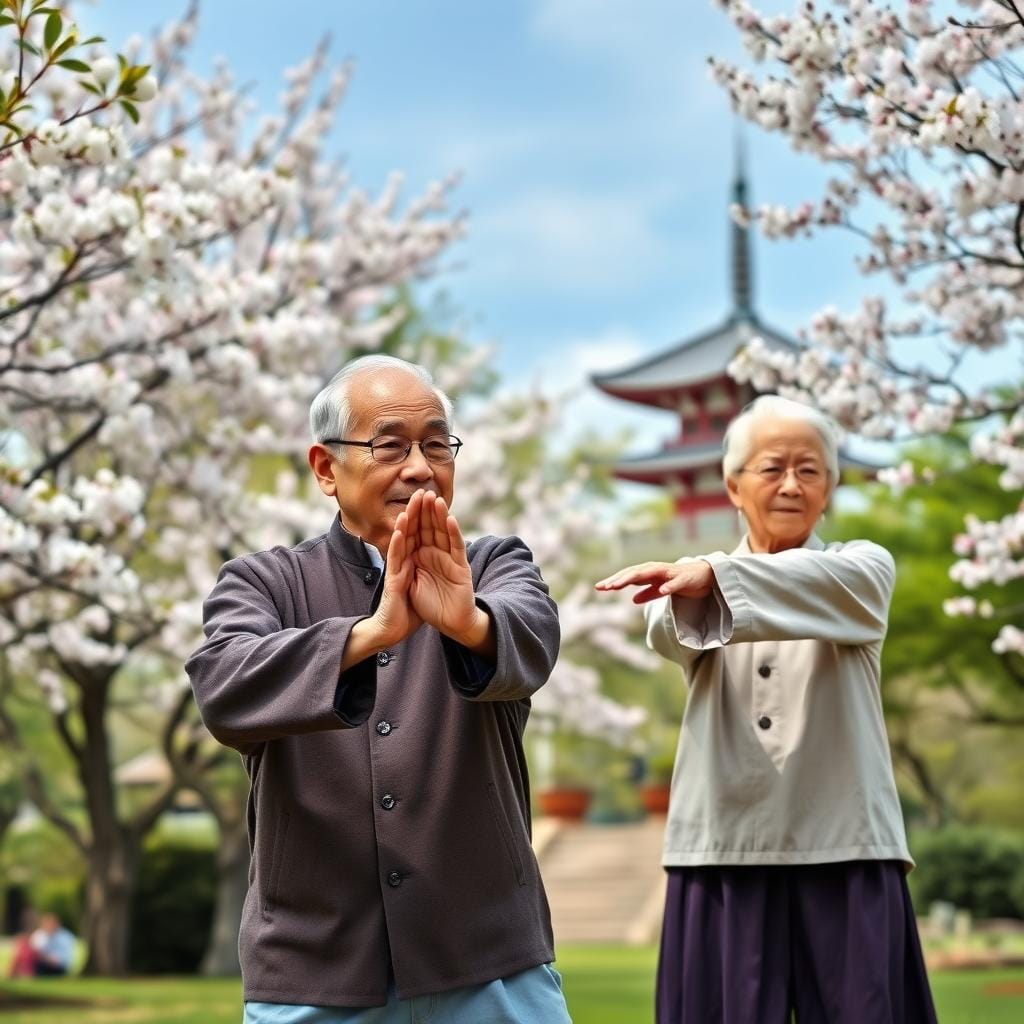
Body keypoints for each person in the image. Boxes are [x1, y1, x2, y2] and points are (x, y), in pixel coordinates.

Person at [186, 355, 571, 1023]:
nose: (421, 467)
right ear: (325, 468)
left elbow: (532, 640)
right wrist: (369, 634)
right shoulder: (264, 584)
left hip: (489, 966)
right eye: (391, 445)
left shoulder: (492, 564)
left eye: (437, 444)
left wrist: (469, 621)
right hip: (314, 973)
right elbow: (224, 685)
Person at [595, 395, 937, 1024]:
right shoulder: (682, 588)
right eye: (771, 468)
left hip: (847, 846)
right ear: (731, 485)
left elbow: (818, 586)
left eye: (810, 470)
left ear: (831, 488)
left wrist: (712, 573)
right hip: (722, 848)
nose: (791, 485)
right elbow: (667, 630)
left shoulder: (863, 571)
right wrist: (701, 579)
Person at [28, 912, 75, 977]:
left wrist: (53, 960)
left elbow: (65, 958)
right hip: (40, 966)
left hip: (58, 968)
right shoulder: (37, 935)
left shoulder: (65, 937)